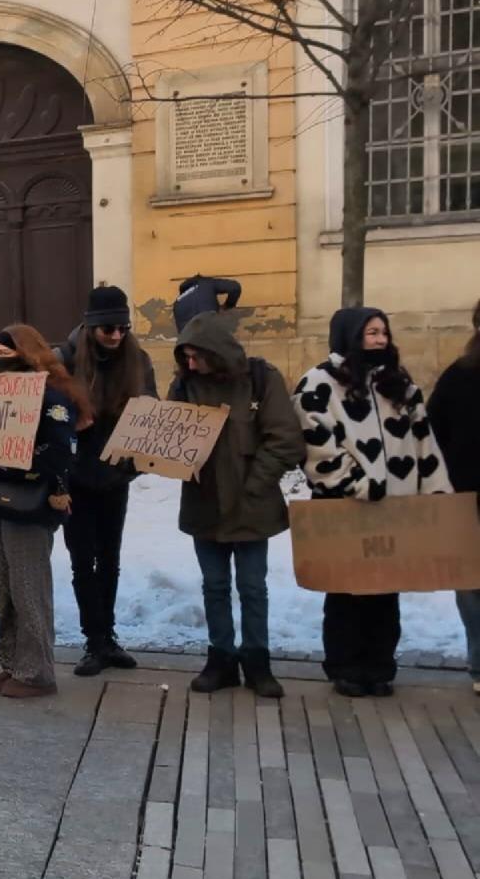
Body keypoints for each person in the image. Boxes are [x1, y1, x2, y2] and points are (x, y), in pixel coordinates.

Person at [293, 307, 452, 697]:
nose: (381, 340)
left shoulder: (399, 384)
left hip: (394, 509)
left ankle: (380, 666)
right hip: (342, 508)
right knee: (346, 590)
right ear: (350, 336)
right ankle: (345, 666)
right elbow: (316, 444)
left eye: (384, 332)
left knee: (386, 591)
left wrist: (435, 496)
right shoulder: (318, 383)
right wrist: (357, 484)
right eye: (372, 333)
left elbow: (422, 442)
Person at [172, 312, 304, 697]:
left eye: (196, 356)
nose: (190, 364)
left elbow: (285, 439)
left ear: (217, 351)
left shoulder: (261, 380)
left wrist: (255, 485)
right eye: (187, 357)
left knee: (252, 586)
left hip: (252, 505)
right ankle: (221, 660)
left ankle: (257, 661)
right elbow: (169, 438)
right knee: (214, 586)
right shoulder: (184, 386)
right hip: (204, 503)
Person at [0, 326, 84, 698]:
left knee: (29, 588)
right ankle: (12, 662)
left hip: (30, 504)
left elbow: (61, 453)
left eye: (7, 352)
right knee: (2, 586)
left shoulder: (52, 396)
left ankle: (37, 672)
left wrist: (3, 464)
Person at [56, 286, 157, 676]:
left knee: (110, 560)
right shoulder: (65, 360)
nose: (115, 336)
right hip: (76, 476)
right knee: (83, 560)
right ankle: (93, 641)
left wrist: (143, 452)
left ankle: (108, 636)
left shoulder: (138, 359)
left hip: (116, 475)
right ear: (90, 326)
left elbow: (151, 408)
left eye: (122, 328)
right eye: (107, 329)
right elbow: (47, 413)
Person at [428, 299, 480, 695]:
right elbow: (433, 435)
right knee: (472, 586)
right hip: (467, 500)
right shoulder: (458, 377)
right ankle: (479, 664)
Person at [174, 274, 241, 333]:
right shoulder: (205, 283)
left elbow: (182, 333)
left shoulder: (177, 302)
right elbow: (235, 287)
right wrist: (227, 307)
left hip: (191, 337)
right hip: (209, 325)